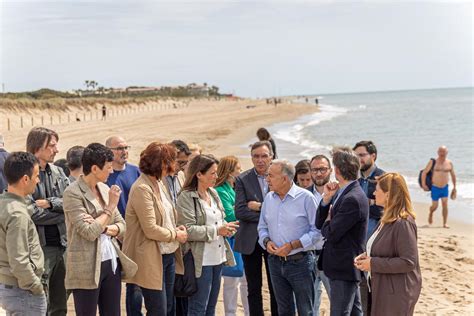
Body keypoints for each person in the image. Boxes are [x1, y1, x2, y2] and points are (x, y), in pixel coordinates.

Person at [62, 143, 137, 315]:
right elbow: (88, 232)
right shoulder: (72, 193)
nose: (111, 171)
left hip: (111, 261)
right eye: (108, 167)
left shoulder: (104, 188)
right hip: (85, 266)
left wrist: (102, 227)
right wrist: (110, 207)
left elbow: (123, 226)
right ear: (95, 168)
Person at [122, 142, 187, 315]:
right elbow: (150, 229)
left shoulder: (159, 183)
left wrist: (175, 227)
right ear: (161, 164)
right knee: (158, 310)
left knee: (168, 308)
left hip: (168, 254)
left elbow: (165, 215)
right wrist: (175, 234)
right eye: (170, 162)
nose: (173, 166)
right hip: (150, 256)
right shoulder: (142, 188)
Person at [176, 154, 239, 316]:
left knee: (211, 308)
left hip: (218, 257)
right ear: (199, 174)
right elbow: (188, 230)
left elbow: (220, 218)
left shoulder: (213, 193)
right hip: (200, 260)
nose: (216, 177)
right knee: (198, 308)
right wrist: (217, 231)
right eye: (212, 173)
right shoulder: (186, 197)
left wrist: (227, 226)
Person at [354, 173, 422, 315]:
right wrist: (366, 256)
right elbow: (386, 249)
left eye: (377, 190)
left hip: (395, 294)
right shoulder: (386, 219)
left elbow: (409, 261)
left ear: (388, 194)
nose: (373, 193)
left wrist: (372, 263)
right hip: (381, 288)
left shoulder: (403, 223)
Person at [258, 160, 319, 315]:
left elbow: (317, 231)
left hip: (301, 263)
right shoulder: (269, 198)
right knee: (283, 310)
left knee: (306, 311)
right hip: (274, 263)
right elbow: (262, 227)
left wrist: (293, 245)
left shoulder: (306, 198)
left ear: (285, 178)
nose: (267, 179)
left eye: (271, 176)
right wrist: (266, 241)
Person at [315, 147, 368, 316]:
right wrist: (326, 199)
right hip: (342, 265)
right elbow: (319, 224)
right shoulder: (342, 192)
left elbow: (331, 233)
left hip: (344, 266)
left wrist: (329, 221)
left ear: (337, 170)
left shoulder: (352, 198)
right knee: (354, 312)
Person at [26, 127, 70, 316]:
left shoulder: (59, 172)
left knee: (60, 304)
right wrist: (63, 212)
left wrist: (51, 204)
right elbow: (32, 212)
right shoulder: (24, 173)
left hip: (63, 246)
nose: (57, 150)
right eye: (51, 145)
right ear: (37, 147)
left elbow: (72, 203)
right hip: (40, 250)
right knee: (40, 303)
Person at [234, 141, 279, 316]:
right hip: (250, 240)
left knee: (276, 286)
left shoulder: (280, 176)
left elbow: (282, 209)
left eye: (264, 156)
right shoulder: (242, 179)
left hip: (274, 239)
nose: (260, 160)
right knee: (253, 287)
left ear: (271, 157)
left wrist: (260, 207)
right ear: (251, 158)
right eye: (256, 156)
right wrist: (269, 216)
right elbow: (240, 211)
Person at [0, 152, 46, 315]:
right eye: (36, 176)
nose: (38, 180)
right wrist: (36, 287)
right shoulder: (17, 214)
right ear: (25, 179)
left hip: (11, 286)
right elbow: (19, 260)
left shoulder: (5, 203)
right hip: (23, 290)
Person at [105, 135, 142, 315]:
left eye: (126, 147)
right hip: (112, 234)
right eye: (119, 148)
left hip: (136, 234)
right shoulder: (105, 175)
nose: (124, 151)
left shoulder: (136, 171)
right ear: (109, 152)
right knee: (111, 282)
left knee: (134, 281)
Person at [214, 156, 249, 316]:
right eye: (238, 169)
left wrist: (242, 209)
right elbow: (231, 215)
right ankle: (230, 313)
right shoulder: (221, 190)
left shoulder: (233, 188)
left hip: (240, 237)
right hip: (230, 238)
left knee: (244, 280)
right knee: (231, 280)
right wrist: (246, 208)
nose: (240, 172)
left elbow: (238, 211)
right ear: (229, 172)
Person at [308, 154, 332, 316]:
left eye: (322, 169)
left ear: (330, 170)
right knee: (311, 305)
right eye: (315, 170)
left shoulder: (339, 194)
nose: (318, 173)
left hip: (330, 256)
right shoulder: (302, 195)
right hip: (308, 256)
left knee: (338, 302)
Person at [353, 141, 385, 239]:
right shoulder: (353, 179)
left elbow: (385, 208)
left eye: (362, 155)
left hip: (374, 234)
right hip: (354, 233)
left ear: (373, 156)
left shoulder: (383, 178)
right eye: (356, 156)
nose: (358, 159)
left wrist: (365, 204)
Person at [421, 146, 457, 228]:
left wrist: (455, 187)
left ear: (446, 152)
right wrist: (424, 184)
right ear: (438, 152)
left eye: (443, 151)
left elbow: (453, 175)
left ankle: (444, 223)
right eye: (440, 151)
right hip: (435, 187)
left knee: (445, 204)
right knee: (435, 206)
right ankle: (431, 213)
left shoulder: (449, 163)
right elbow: (424, 172)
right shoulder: (433, 162)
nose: (442, 153)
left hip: (445, 188)